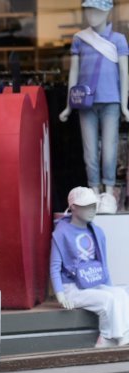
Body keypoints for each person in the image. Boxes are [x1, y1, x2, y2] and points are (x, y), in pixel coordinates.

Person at [59, 0, 129, 213]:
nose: (92, 14)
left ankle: (108, 193)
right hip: (85, 102)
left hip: (111, 101)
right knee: (89, 152)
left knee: (109, 149)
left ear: (107, 11)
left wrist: (125, 104)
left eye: (97, 10)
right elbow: (73, 72)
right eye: (88, 9)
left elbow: (125, 73)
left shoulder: (118, 40)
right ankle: (93, 191)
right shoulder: (80, 39)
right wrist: (68, 105)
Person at [51, 187, 129, 347]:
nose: (93, 209)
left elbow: (103, 264)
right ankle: (108, 337)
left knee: (120, 293)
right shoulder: (61, 233)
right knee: (107, 299)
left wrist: (109, 287)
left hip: (93, 281)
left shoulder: (97, 231)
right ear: (73, 207)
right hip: (73, 287)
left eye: (94, 205)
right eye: (87, 206)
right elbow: (55, 266)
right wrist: (61, 296)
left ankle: (123, 335)